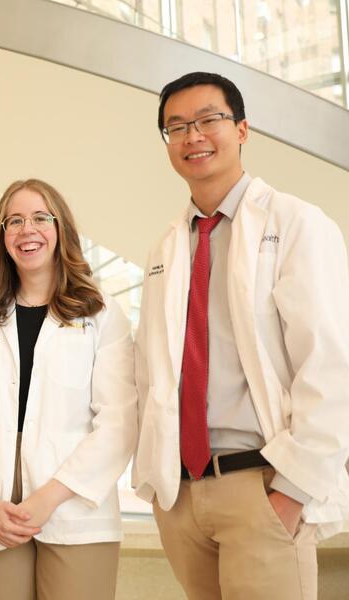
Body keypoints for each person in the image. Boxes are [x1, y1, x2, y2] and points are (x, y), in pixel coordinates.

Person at [133, 71, 349, 600]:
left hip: (261, 488)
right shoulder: (166, 247)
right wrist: (163, 493)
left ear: (243, 130)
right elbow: (151, 372)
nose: (193, 137)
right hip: (182, 496)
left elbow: (330, 363)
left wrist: (292, 492)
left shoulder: (296, 223)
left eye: (209, 120)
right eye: (177, 127)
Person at [0, 178, 137, 600]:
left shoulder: (100, 311)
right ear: (2, 236)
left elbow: (119, 422)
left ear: (60, 227)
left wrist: (48, 498)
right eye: (14, 221)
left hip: (72, 493)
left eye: (39, 218)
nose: (26, 230)